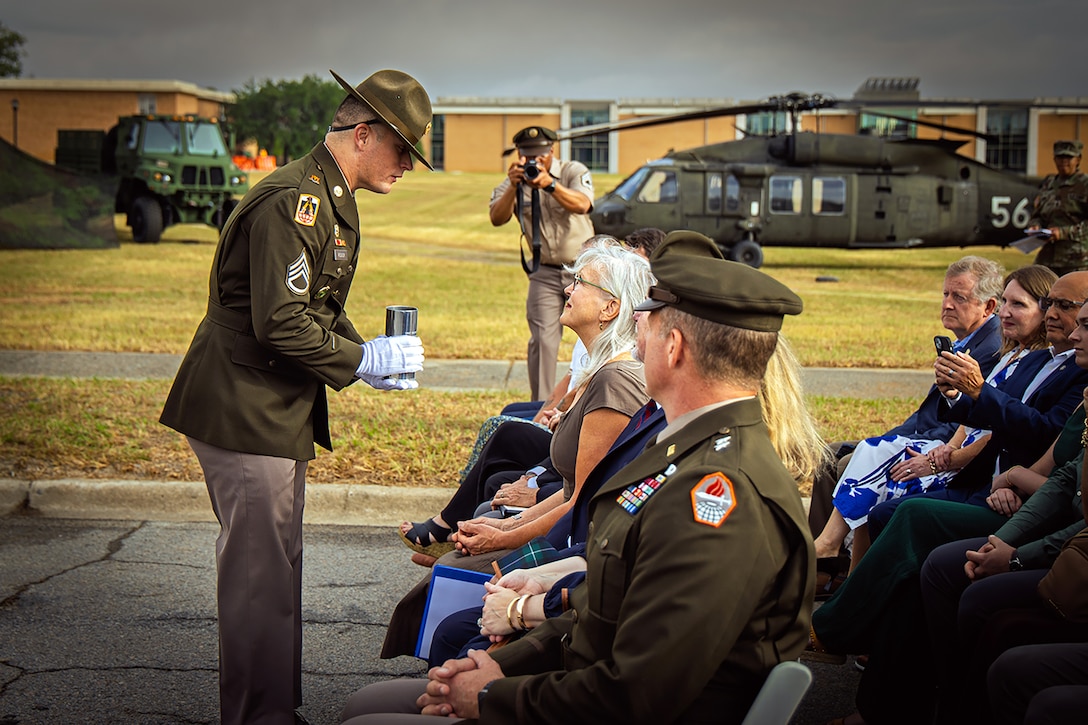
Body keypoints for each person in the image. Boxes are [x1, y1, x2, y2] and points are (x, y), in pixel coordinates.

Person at [342, 230, 816, 724]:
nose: (636, 331)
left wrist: (490, 696)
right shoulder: (686, 451)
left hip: (593, 705)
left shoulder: (719, 493)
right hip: (571, 680)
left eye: (647, 323)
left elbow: (637, 693)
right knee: (365, 706)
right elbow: (613, 603)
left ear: (673, 347)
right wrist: (505, 660)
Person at [158, 69, 434, 725]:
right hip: (244, 403)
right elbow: (280, 321)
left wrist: (369, 352)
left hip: (272, 403)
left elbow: (314, 306)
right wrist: (363, 360)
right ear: (363, 134)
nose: (408, 167)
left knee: (278, 569)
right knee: (259, 579)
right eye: (403, 150)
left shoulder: (328, 194)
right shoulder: (296, 201)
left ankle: (273, 709)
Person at [380, 242, 653, 658]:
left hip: (578, 545)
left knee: (453, 566)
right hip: (570, 528)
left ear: (609, 309)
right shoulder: (604, 371)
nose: (568, 289)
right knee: (483, 517)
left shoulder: (615, 382)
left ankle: (454, 688)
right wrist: (503, 528)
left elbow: (581, 501)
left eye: (580, 282)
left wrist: (499, 537)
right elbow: (571, 488)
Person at [813, 265, 1056, 570]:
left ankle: (834, 561)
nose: (947, 303)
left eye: (1017, 304)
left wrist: (946, 457)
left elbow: (1005, 426)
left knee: (874, 469)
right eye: (945, 294)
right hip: (954, 453)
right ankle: (835, 570)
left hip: (979, 473)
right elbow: (974, 419)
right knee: (851, 458)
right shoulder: (1010, 354)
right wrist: (953, 411)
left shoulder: (1007, 353)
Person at [806, 256, 1005, 549]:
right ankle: (826, 566)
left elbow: (962, 423)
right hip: (922, 438)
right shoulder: (969, 342)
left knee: (847, 461)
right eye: (945, 294)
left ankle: (828, 556)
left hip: (938, 449)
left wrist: (909, 446)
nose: (947, 304)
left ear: (988, 306)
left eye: (959, 297)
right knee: (827, 457)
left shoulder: (990, 350)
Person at [489, 125, 595, 401]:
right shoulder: (514, 181)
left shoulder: (573, 171)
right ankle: (541, 408)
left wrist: (550, 184)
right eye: (528, 156)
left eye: (540, 155)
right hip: (545, 272)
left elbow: (583, 204)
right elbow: (496, 217)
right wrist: (514, 186)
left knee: (598, 335)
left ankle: (594, 399)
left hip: (584, 271)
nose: (534, 161)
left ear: (552, 151)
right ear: (520, 156)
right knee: (543, 342)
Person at [1028, 139, 1088, 277]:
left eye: (1069, 157)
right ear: (1054, 159)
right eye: (1060, 157)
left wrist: (1063, 233)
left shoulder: (1084, 184)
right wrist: (1035, 226)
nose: (1064, 161)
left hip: (1077, 260)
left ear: (1078, 159)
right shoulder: (1049, 183)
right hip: (1048, 257)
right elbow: (1037, 214)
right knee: (1038, 289)